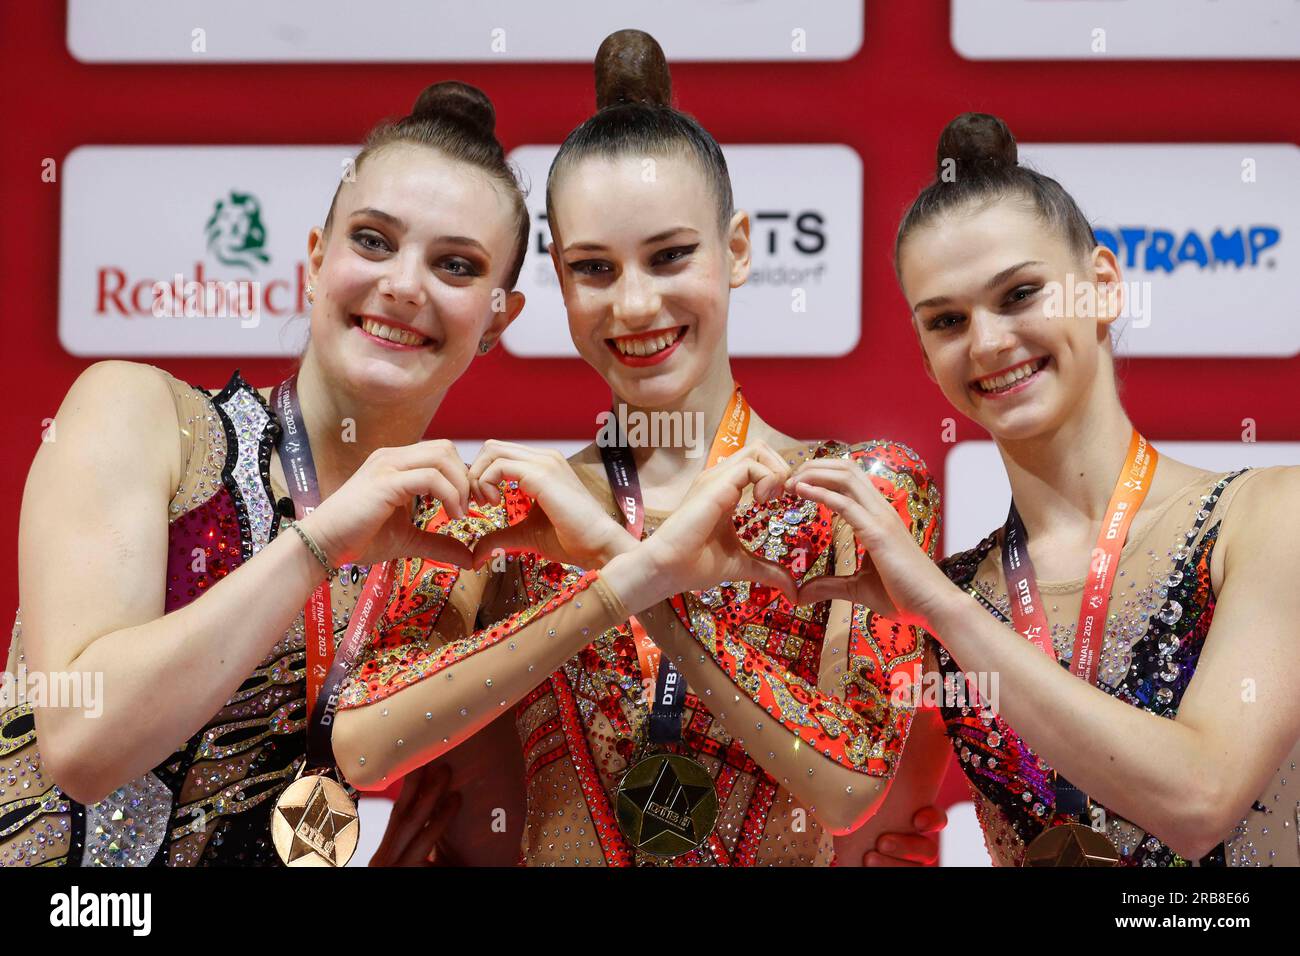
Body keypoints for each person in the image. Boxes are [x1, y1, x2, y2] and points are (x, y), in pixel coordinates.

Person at [331, 29, 942, 866]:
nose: (635, 305)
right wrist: (616, 576)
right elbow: (364, 746)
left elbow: (847, 786)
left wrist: (626, 566)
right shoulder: (512, 500)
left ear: (735, 249)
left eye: (670, 256)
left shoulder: (858, 489)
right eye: (595, 269)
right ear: (559, 277)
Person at [1, 81, 529, 866]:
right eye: (374, 241)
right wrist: (316, 543)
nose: (405, 284)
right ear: (316, 262)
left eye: (456, 265)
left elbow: (490, 842)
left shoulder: (453, 568)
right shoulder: (146, 419)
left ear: (497, 319)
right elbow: (83, 744)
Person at [788, 112, 1300, 866]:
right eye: (948, 320)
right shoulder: (941, 604)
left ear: (1101, 286)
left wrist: (939, 608)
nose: (988, 342)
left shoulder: (1265, 517)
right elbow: (854, 839)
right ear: (928, 359)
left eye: (1020, 294)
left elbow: (1201, 801)